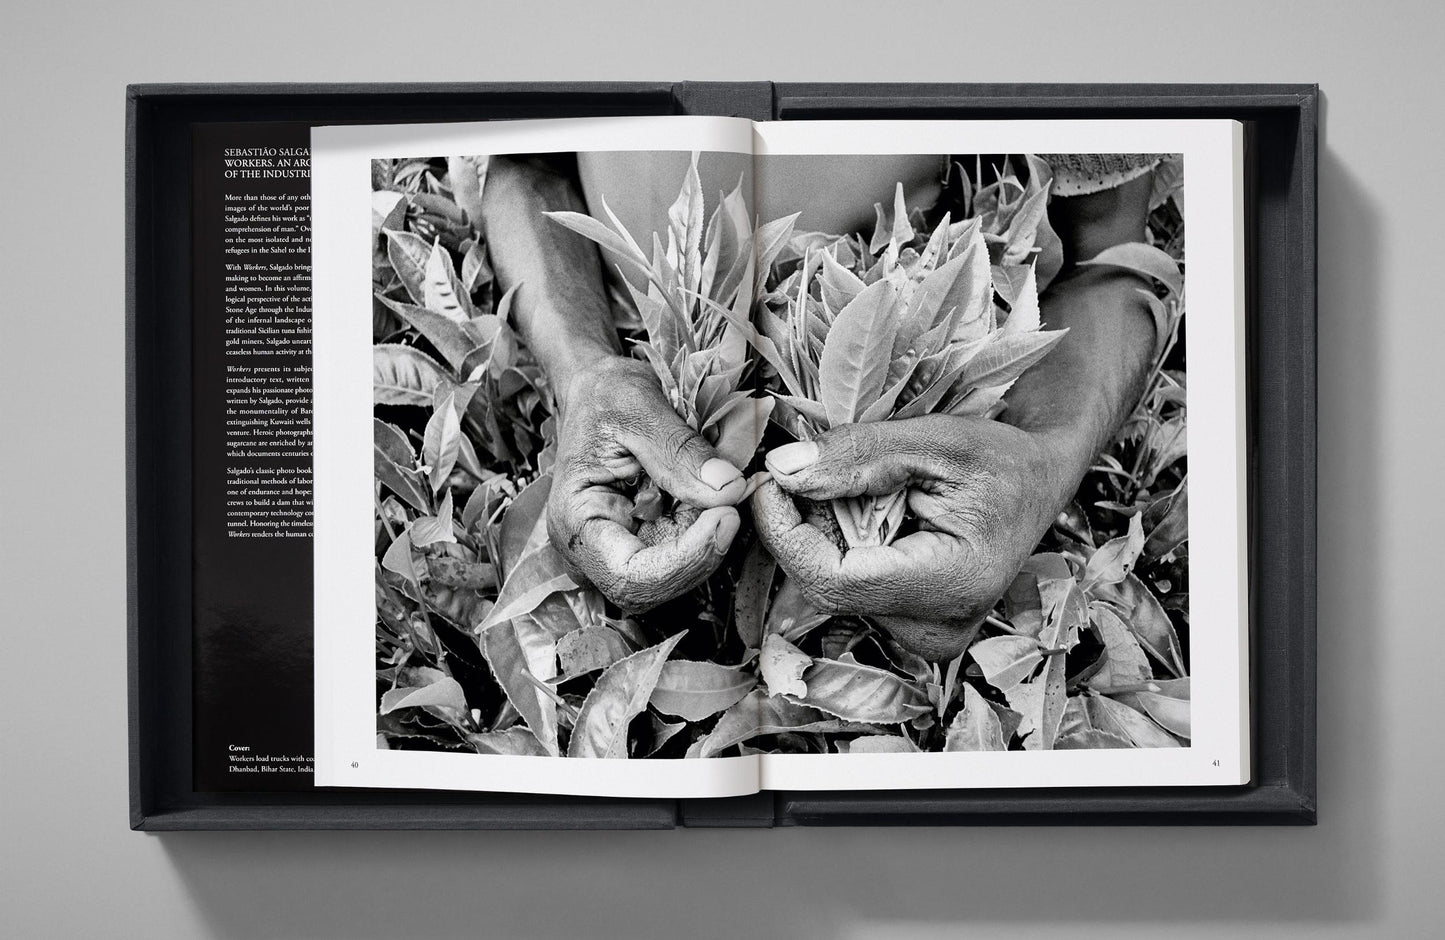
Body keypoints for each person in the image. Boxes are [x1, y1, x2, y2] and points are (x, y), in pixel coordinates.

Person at [480, 151, 1168, 660]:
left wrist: (1044, 457)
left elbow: (1109, 252)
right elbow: (523, 160)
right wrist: (583, 371)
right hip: (648, 403)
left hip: (906, 442)